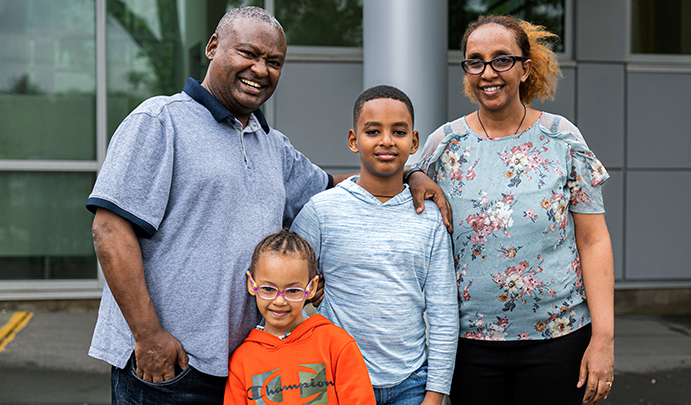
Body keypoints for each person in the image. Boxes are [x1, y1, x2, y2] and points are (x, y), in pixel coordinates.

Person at [86, 7, 449, 404]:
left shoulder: (271, 146)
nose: (260, 69)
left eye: (273, 62)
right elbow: (109, 230)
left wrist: (409, 175)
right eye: (248, 53)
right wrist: (148, 336)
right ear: (212, 47)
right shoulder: (160, 120)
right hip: (169, 363)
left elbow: (342, 186)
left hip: (244, 366)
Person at [407, 15, 615, 405]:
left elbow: (593, 239)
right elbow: (393, 180)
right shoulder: (443, 144)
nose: (489, 72)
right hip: (468, 344)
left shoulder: (562, 139)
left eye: (502, 59)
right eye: (476, 61)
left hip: (559, 338)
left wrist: (604, 337)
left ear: (525, 68)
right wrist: (414, 175)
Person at [291, 85, 459, 405]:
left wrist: (435, 395)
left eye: (398, 131)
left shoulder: (430, 218)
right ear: (354, 140)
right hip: (334, 378)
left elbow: (443, 312)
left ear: (414, 142)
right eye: (373, 131)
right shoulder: (321, 211)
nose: (386, 140)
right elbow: (286, 283)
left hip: (411, 382)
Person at [224, 229, 375, 404]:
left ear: (311, 288)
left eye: (293, 290)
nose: (279, 301)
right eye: (268, 289)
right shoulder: (242, 361)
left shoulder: (336, 344)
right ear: (252, 284)